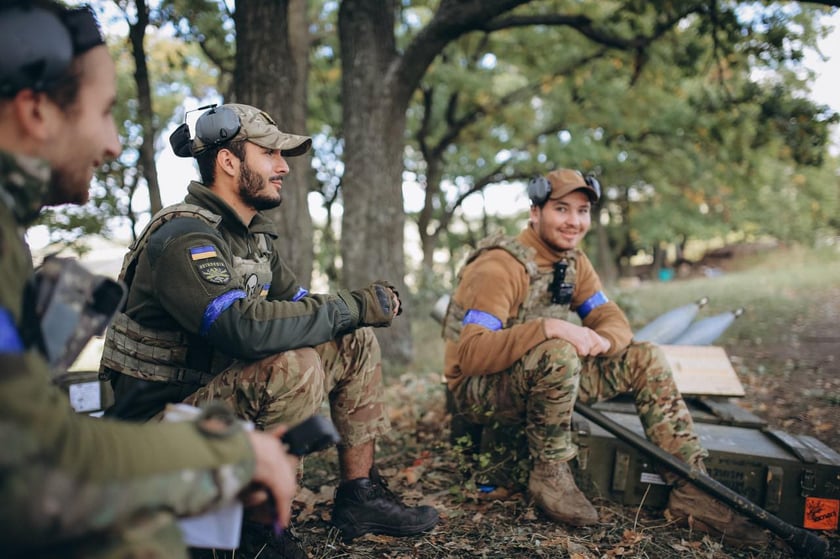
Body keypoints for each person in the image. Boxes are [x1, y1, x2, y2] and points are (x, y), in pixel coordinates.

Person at [0, 2, 300, 558]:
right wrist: (233, 458)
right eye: (105, 111)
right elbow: (32, 471)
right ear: (35, 112)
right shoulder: (184, 234)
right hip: (146, 409)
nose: (113, 143)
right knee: (144, 542)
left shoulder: (10, 232)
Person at [98, 102, 440, 556]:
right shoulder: (185, 237)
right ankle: (257, 535)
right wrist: (351, 304)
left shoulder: (252, 237)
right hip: (147, 435)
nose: (283, 168)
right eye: (270, 155)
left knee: (351, 339)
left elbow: (299, 308)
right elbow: (242, 330)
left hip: (202, 409)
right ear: (228, 161)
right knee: (292, 365)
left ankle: (360, 497)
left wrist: (353, 312)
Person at [441, 168, 768, 547]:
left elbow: (611, 318)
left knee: (644, 356)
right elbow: (471, 355)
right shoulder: (499, 267)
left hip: (540, 376)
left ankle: (691, 489)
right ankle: (549, 473)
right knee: (558, 352)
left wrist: (605, 342)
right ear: (535, 212)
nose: (573, 222)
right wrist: (549, 327)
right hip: (479, 392)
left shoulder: (573, 263)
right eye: (562, 209)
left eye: (582, 211)